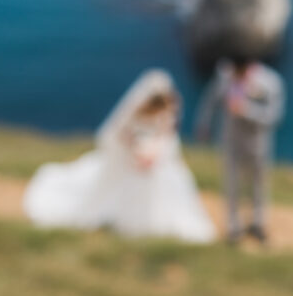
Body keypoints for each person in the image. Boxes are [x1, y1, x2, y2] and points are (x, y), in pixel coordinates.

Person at [23, 69, 215, 243]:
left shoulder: (167, 111)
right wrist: (137, 152)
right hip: (138, 161)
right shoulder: (140, 112)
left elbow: (165, 136)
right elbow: (123, 134)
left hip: (153, 162)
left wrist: (153, 155)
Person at [196, 55, 284, 244]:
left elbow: (273, 117)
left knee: (258, 184)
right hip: (230, 141)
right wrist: (204, 125)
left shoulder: (270, 81)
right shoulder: (225, 76)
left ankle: (257, 223)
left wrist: (246, 109)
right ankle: (233, 227)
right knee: (232, 183)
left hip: (257, 142)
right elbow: (211, 100)